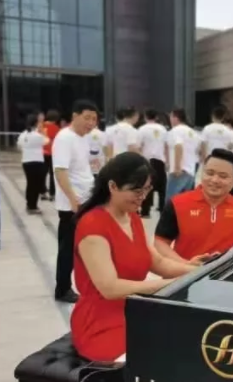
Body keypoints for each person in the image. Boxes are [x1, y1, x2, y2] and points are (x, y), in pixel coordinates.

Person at [70, 152, 204, 362]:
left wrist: (197, 270)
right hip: (100, 322)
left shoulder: (132, 217)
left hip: (132, 311)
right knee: (154, 359)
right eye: (136, 190)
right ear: (113, 186)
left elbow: (158, 262)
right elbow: (110, 288)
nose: (143, 196)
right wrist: (170, 284)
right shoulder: (92, 226)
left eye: (147, 189)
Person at [155, 148, 233, 263]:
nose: (215, 180)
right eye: (210, 173)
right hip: (185, 274)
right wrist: (185, 265)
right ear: (202, 173)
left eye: (223, 176)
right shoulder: (177, 204)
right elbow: (160, 242)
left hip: (226, 275)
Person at [52, 99, 99, 303]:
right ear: (75, 116)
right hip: (73, 204)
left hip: (85, 200)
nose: (91, 123)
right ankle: (62, 289)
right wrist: (73, 200)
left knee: (82, 246)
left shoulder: (83, 138)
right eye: (87, 118)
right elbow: (60, 171)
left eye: (94, 119)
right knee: (68, 249)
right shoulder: (65, 138)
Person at [138, 109, 168, 217]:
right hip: (160, 160)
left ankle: (146, 211)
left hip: (147, 160)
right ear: (156, 117)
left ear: (145, 117)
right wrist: (167, 161)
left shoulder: (142, 129)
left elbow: (139, 146)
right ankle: (162, 209)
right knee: (162, 187)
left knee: (147, 186)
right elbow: (166, 146)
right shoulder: (163, 129)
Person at [166, 108, 200, 201]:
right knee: (184, 202)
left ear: (175, 118)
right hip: (190, 172)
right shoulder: (193, 132)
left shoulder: (176, 130)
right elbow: (198, 151)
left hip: (179, 171)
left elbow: (178, 146)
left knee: (171, 202)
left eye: (170, 117)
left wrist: (177, 167)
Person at [17, 114, 49, 214]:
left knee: (30, 183)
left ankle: (29, 204)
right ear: (36, 123)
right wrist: (43, 133)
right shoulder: (37, 135)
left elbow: (19, 145)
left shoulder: (23, 134)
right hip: (37, 161)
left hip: (26, 161)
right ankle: (32, 205)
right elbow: (47, 141)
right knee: (36, 184)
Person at [40, 109, 61, 202]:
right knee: (53, 174)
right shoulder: (56, 128)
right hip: (53, 153)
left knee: (42, 174)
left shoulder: (41, 126)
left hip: (41, 153)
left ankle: (42, 192)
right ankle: (52, 193)